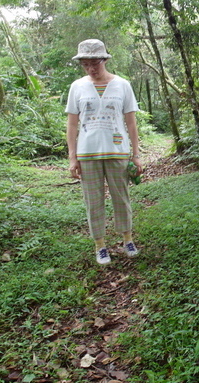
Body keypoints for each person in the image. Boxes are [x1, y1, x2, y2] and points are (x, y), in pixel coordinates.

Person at [65, 39, 143, 265]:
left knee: (121, 198)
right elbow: (72, 124)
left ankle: (127, 239)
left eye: (95, 62)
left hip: (117, 151)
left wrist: (136, 155)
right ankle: (100, 245)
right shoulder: (77, 87)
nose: (91, 68)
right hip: (87, 153)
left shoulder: (122, 85)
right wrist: (72, 157)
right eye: (86, 63)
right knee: (93, 200)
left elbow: (131, 123)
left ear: (105, 60)